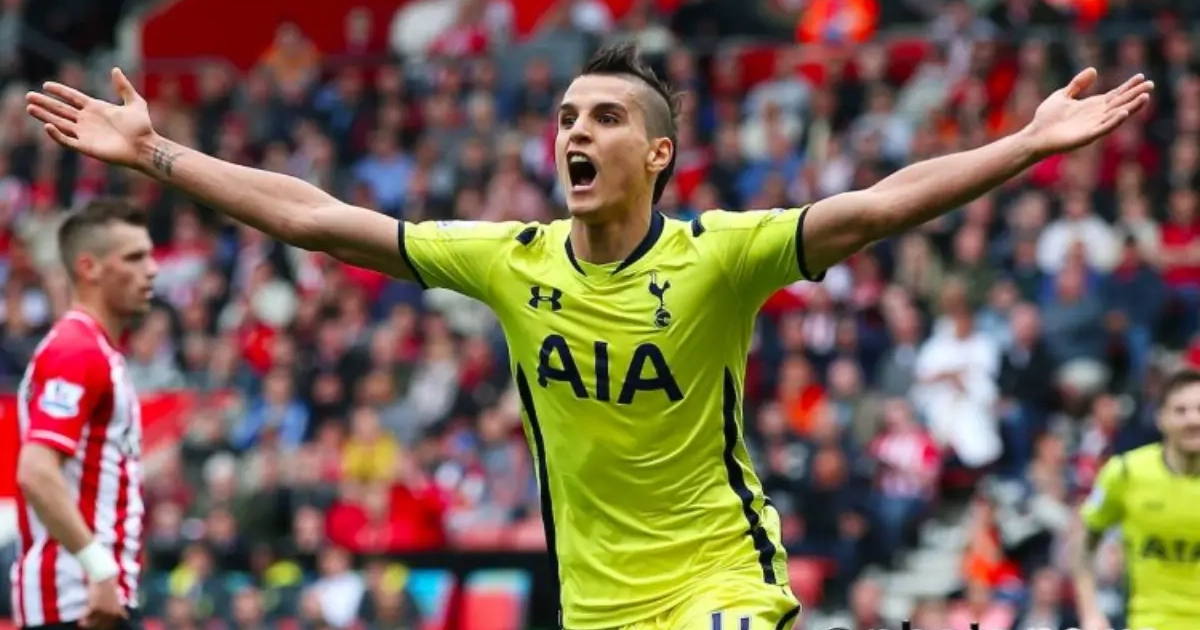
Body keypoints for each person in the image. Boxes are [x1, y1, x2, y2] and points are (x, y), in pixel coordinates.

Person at [25, 42, 1151, 630]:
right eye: (566, 115)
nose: (576, 129)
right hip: (596, 603)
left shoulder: (721, 254)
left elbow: (877, 207)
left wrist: (1025, 144)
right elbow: (315, 219)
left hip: (720, 576)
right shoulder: (509, 261)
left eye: (605, 117)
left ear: (656, 154)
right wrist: (157, 154)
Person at [10, 199, 158, 629]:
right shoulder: (77, 350)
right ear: (89, 267)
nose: (151, 270)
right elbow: (36, 470)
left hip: (92, 598)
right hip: (76, 601)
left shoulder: (97, 351)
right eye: (134, 258)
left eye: (150, 255)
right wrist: (100, 568)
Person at [1072, 368, 1200, 630]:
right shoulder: (1127, 473)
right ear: (1161, 418)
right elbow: (1083, 544)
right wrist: (1090, 614)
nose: (1193, 419)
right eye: (1180, 410)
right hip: (1149, 623)